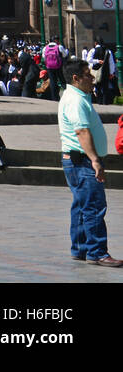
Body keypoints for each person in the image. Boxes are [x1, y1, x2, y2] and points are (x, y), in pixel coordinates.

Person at [59, 58, 121, 266]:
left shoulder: (75, 95)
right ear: (76, 78)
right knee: (93, 206)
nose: (93, 79)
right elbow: (81, 131)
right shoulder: (75, 100)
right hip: (83, 161)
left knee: (81, 205)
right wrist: (95, 160)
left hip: (76, 160)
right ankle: (97, 252)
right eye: (88, 75)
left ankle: (80, 248)